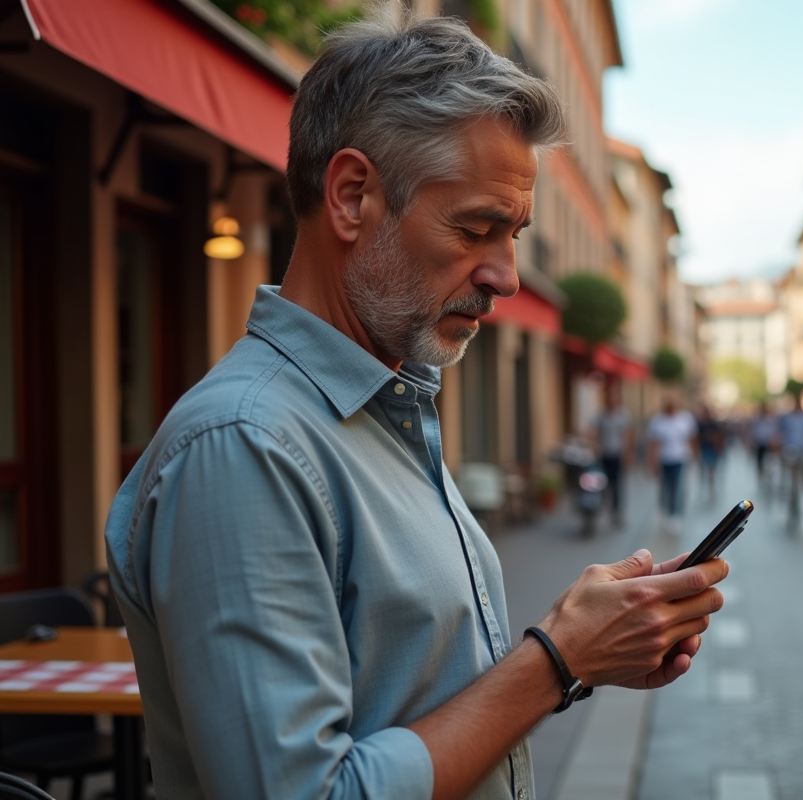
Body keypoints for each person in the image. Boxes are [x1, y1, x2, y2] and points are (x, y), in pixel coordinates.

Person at [102, 12, 727, 800]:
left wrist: (589, 652)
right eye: (477, 229)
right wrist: (556, 660)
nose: (504, 275)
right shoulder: (245, 446)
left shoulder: (382, 412)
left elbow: (417, 699)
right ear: (354, 196)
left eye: (516, 235)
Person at [647, 397, 699, 534]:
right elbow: (654, 443)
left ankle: (674, 514)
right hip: (664, 459)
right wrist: (652, 461)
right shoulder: (658, 421)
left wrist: (694, 455)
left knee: (677, 487)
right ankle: (663, 510)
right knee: (664, 486)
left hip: (679, 458)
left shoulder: (685, 419)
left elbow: (691, 438)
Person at [593, 385, 634, 527]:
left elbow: (628, 435)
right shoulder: (601, 415)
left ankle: (616, 513)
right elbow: (595, 433)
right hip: (604, 454)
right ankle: (602, 509)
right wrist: (594, 446)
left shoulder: (623, 415)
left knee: (616, 485)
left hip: (617, 454)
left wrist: (628, 453)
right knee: (602, 483)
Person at [778, 392, 803, 532]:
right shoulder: (787, 418)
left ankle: (799, 503)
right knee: (793, 484)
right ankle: (792, 508)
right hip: (790, 451)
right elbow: (780, 434)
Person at [696, 405, 726, 505]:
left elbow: (720, 437)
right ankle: (705, 489)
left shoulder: (715, 425)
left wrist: (719, 448)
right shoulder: (700, 425)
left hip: (713, 450)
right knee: (704, 471)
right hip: (704, 450)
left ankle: (711, 490)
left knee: (711, 471)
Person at [748, 401, 778, 489]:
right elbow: (753, 432)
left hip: (769, 444)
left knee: (770, 462)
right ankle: (760, 478)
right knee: (759, 462)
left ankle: (769, 478)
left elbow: (775, 432)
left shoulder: (771, 420)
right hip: (759, 444)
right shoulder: (756, 420)